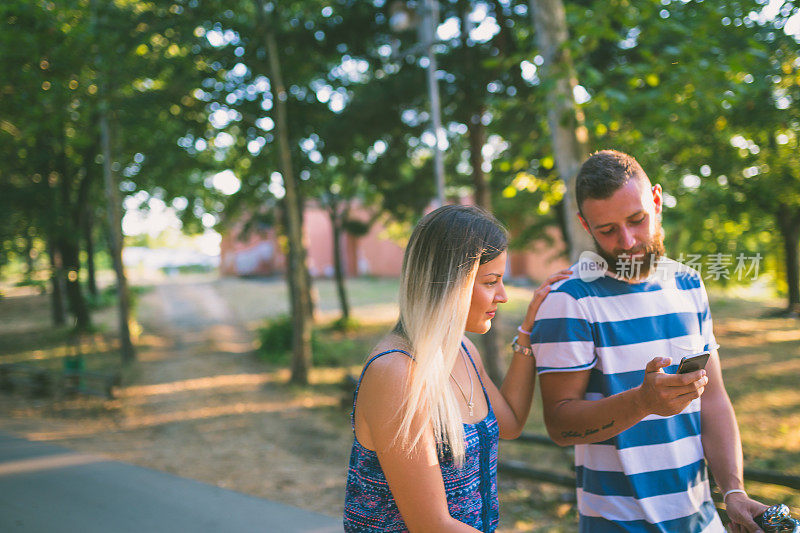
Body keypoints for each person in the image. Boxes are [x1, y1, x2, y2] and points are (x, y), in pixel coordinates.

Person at [529, 150, 767, 532]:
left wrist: (734, 492)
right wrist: (642, 402)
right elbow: (560, 425)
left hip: (703, 521)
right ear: (584, 225)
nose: (628, 240)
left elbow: (715, 398)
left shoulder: (689, 282)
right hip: (618, 525)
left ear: (656, 200)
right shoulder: (570, 300)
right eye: (607, 230)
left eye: (637, 219)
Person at [343, 204, 569, 532]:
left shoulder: (463, 350)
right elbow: (431, 524)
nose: (503, 296)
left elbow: (511, 424)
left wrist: (528, 333)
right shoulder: (395, 373)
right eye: (491, 281)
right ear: (450, 283)